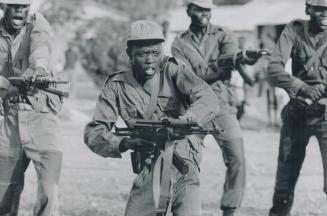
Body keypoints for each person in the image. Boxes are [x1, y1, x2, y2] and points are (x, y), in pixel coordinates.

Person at [84, 20, 220, 216]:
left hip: (184, 162)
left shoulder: (173, 70)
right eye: (142, 54)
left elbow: (207, 98)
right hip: (150, 164)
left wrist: (187, 119)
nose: (150, 60)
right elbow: (94, 133)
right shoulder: (117, 85)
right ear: (129, 54)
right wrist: (126, 142)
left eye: (155, 53)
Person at [171, 0, 259, 215]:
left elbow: (230, 57)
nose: (205, 14)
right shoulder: (179, 43)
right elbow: (186, 79)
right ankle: (183, 208)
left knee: (237, 158)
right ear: (189, 10)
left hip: (221, 106)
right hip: (194, 108)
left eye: (208, 10)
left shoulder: (223, 34)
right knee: (184, 159)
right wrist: (217, 71)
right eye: (199, 9)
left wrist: (240, 58)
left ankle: (230, 209)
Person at [0, 0, 63, 215]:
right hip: (10, 119)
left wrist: (41, 67)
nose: (19, 10)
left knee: (49, 190)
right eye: (13, 6)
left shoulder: (38, 24)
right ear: (3, 7)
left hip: (42, 117)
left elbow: (41, 47)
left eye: (23, 6)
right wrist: (6, 85)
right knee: (4, 192)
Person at [267, 0, 327, 215]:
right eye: (320, 8)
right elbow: (273, 68)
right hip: (298, 110)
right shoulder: (294, 29)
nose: (325, 13)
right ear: (308, 9)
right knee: (284, 181)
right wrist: (302, 88)